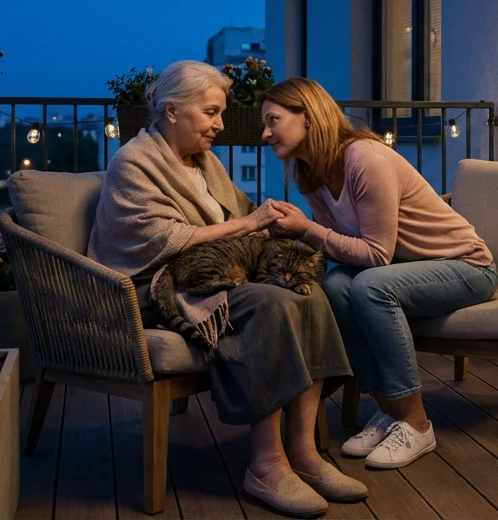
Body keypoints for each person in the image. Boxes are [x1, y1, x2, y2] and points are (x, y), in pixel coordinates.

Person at [88, 61, 364, 517]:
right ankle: (267, 465)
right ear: (173, 112)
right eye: (211, 113)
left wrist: (267, 222)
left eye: (220, 113)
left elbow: (239, 211)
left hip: (216, 273)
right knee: (271, 302)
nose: (220, 125)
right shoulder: (133, 162)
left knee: (309, 294)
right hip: (161, 286)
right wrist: (245, 225)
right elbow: (163, 240)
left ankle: (305, 454)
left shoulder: (204, 161)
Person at [259, 78, 497, 469]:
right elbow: (334, 246)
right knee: (336, 285)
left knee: (368, 285)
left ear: (309, 117)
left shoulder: (365, 160)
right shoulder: (309, 174)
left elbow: (375, 255)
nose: (265, 133)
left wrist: (308, 229)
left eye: (273, 120)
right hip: (407, 270)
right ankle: (390, 410)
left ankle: (417, 424)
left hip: (466, 266)